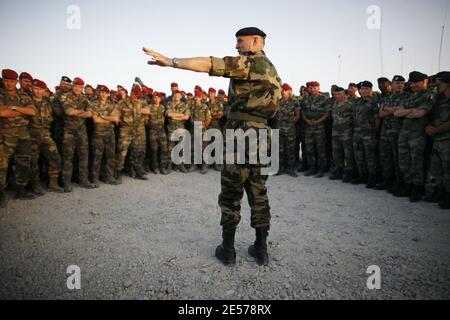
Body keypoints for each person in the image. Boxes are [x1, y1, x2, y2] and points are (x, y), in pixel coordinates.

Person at [143, 26, 282, 266]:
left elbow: (209, 64)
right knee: (258, 191)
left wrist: (172, 61)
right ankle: (261, 249)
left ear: (256, 41)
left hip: (241, 134)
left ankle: (227, 250)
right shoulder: (273, 72)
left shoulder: (248, 64)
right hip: (261, 135)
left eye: (240, 41)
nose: (236, 46)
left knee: (231, 192)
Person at [0, 69, 37, 208]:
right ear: (3, 80)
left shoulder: (23, 95)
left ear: (16, 81)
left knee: (24, 162)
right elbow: (2, 113)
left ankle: (20, 190)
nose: (9, 84)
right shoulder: (1, 94)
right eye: (6, 81)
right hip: (5, 134)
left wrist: (13, 107)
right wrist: (21, 110)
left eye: (11, 81)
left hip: (23, 134)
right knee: (2, 165)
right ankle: (1, 193)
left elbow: (32, 111)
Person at [29, 79, 64, 194]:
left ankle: (53, 183)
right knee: (33, 163)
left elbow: (53, 117)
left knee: (56, 158)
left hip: (45, 136)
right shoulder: (26, 101)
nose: (38, 91)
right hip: (30, 137)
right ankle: (36, 186)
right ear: (32, 88)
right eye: (36, 89)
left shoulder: (47, 102)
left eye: (41, 89)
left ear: (44, 90)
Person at [61, 77, 95, 192]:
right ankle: (66, 182)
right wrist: (82, 112)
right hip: (69, 131)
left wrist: (76, 112)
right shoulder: (65, 96)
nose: (77, 88)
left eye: (80, 87)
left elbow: (90, 114)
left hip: (82, 131)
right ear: (72, 86)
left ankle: (83, 180)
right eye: (75, 86)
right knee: (68, 157)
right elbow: (68, 112)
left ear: (82, 88)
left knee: (83, 156)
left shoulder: (85, 99)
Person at [87, 85, 120, 187]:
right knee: (97, 157)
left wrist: (103, 116)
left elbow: (116, 119)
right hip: (98, 135)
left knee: (110, 156)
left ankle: (109, 177)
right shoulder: (93, 104)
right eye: (101, 92)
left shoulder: (112, 105)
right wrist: (110, 118)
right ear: (98, 93)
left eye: (105, 93)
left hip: (110, 134)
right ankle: (95, 178)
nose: (103, 95)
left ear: (108, 94)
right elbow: (96, 120)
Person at [277, 83, 300, 177]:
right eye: (282, 91)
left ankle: (290, 168)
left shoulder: (294, 101)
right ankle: (281, 168)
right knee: (280, 149)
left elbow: (297, 115)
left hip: (290, 129)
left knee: (290, 149)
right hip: (280, 128)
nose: (282, 92)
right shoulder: (279, 101)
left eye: (284, 91)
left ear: (289, 92)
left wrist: (291, 122)